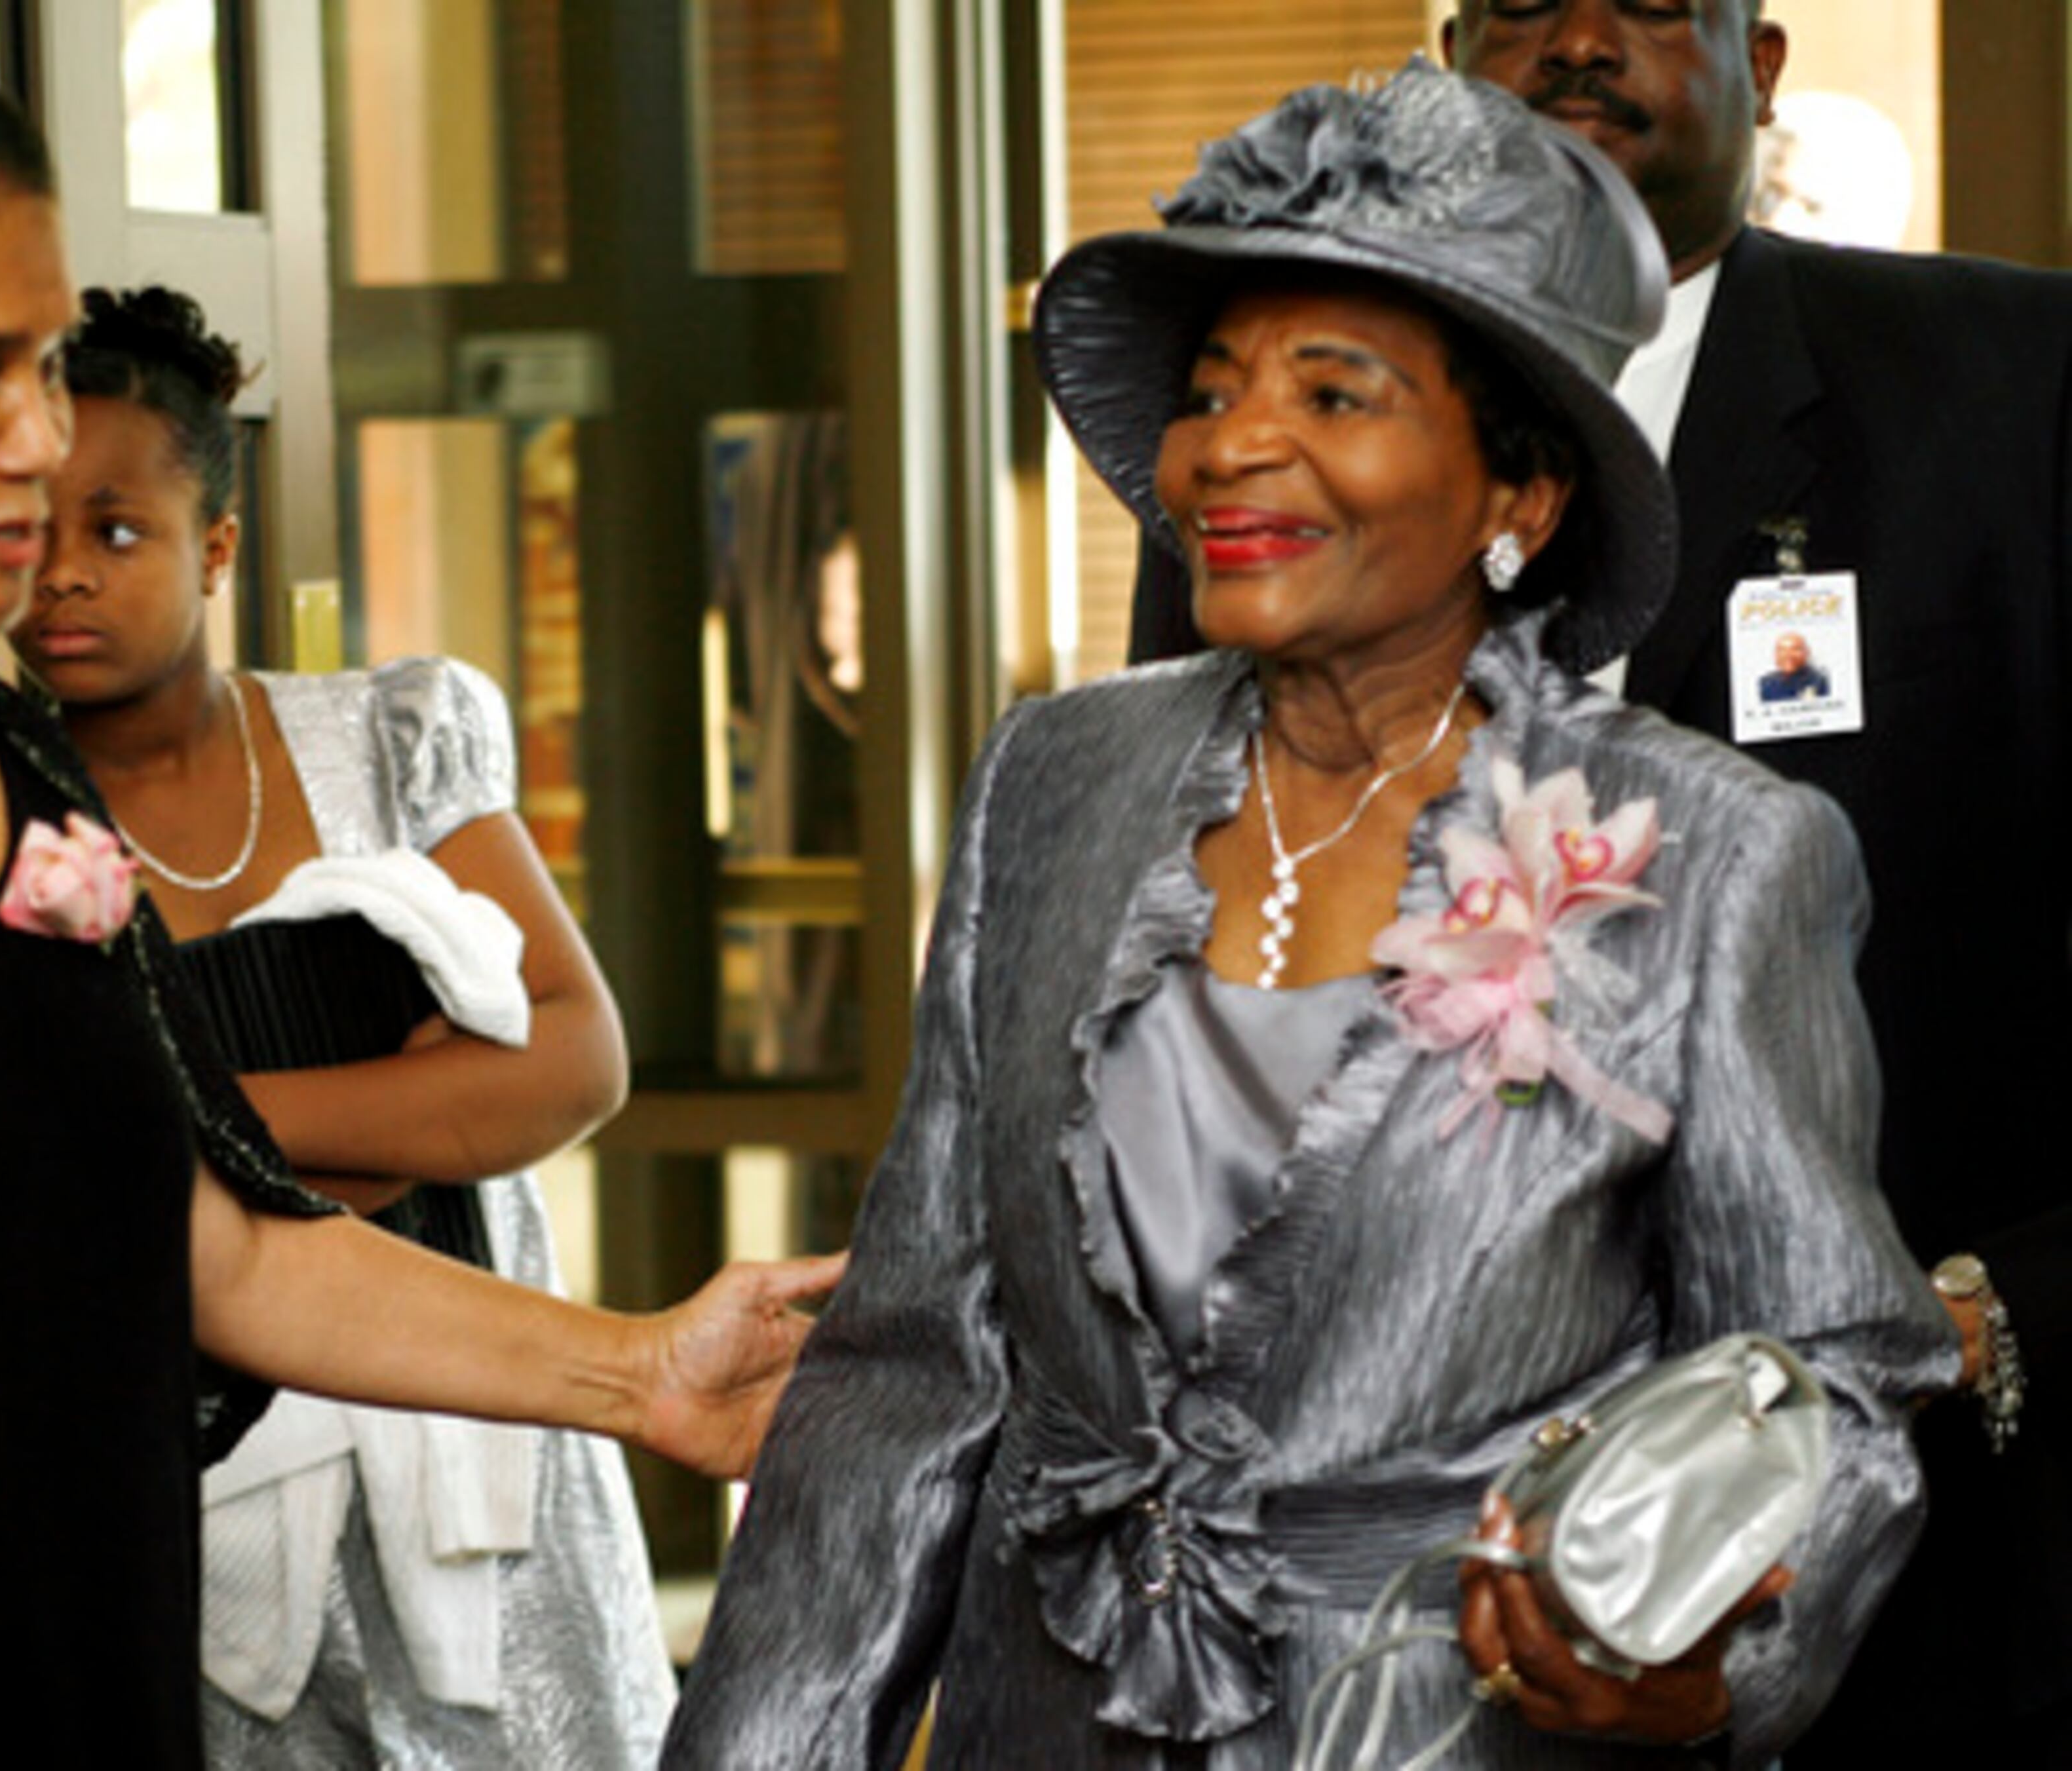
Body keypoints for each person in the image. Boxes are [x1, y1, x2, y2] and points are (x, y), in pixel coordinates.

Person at [0, 13, 832, 1766]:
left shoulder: (4, 760)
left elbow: (209, 1230)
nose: (33, 441)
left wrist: (639, 1369)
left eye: (45, 364)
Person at [666, 63, 1951, 1768]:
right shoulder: (1059, 776)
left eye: (1335, 393)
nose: (1231, 448)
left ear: (1521, 495)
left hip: (1452, 1729)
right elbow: (912, 1357)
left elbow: (1834, 1361)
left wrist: (1720, 1667)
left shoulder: (1707, 852)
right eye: (1211, 392)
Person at [1140, 10, 2072, 1755]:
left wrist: (1992, 1308)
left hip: (1927, 1562)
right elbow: (1202, 957)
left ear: (1766, 61)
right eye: (1520, 6)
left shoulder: (2015, 386)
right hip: (1368, 1596)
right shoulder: (1283, 439)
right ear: (1446, 60)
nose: (1577, 41)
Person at [9, 285, 675, 1766]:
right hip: (204, 1494)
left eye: (114, 531)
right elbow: (49, 1169)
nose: (60, 576)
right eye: (30, 529)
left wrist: (206, 1123)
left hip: (483, 1469)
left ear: (218, 547)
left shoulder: (386, 735)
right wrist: (408, 1106)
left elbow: (572, 1058)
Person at [1755, 631, 1825, 703]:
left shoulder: (1819, 680)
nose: (1788, 655)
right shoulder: (1766, 683)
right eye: (1782, 650)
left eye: (1795, 649)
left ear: (1807, 653)